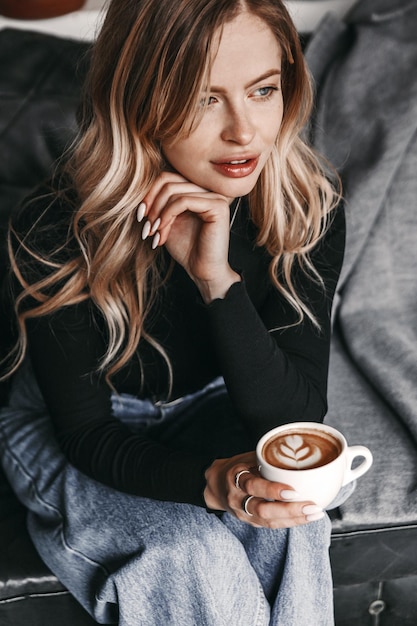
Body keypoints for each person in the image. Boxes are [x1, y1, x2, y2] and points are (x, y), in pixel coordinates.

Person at [0, 0, 345, 624]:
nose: (244, 132)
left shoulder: (308, 209)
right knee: (188, 551)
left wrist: (217, 278)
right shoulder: (54, 227)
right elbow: (86, 434)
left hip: (210, 403)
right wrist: (214, 485)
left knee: (290, 524)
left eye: (262, 90)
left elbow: (293, 418)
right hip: (74, 428)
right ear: (139, 102)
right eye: (203, 98)